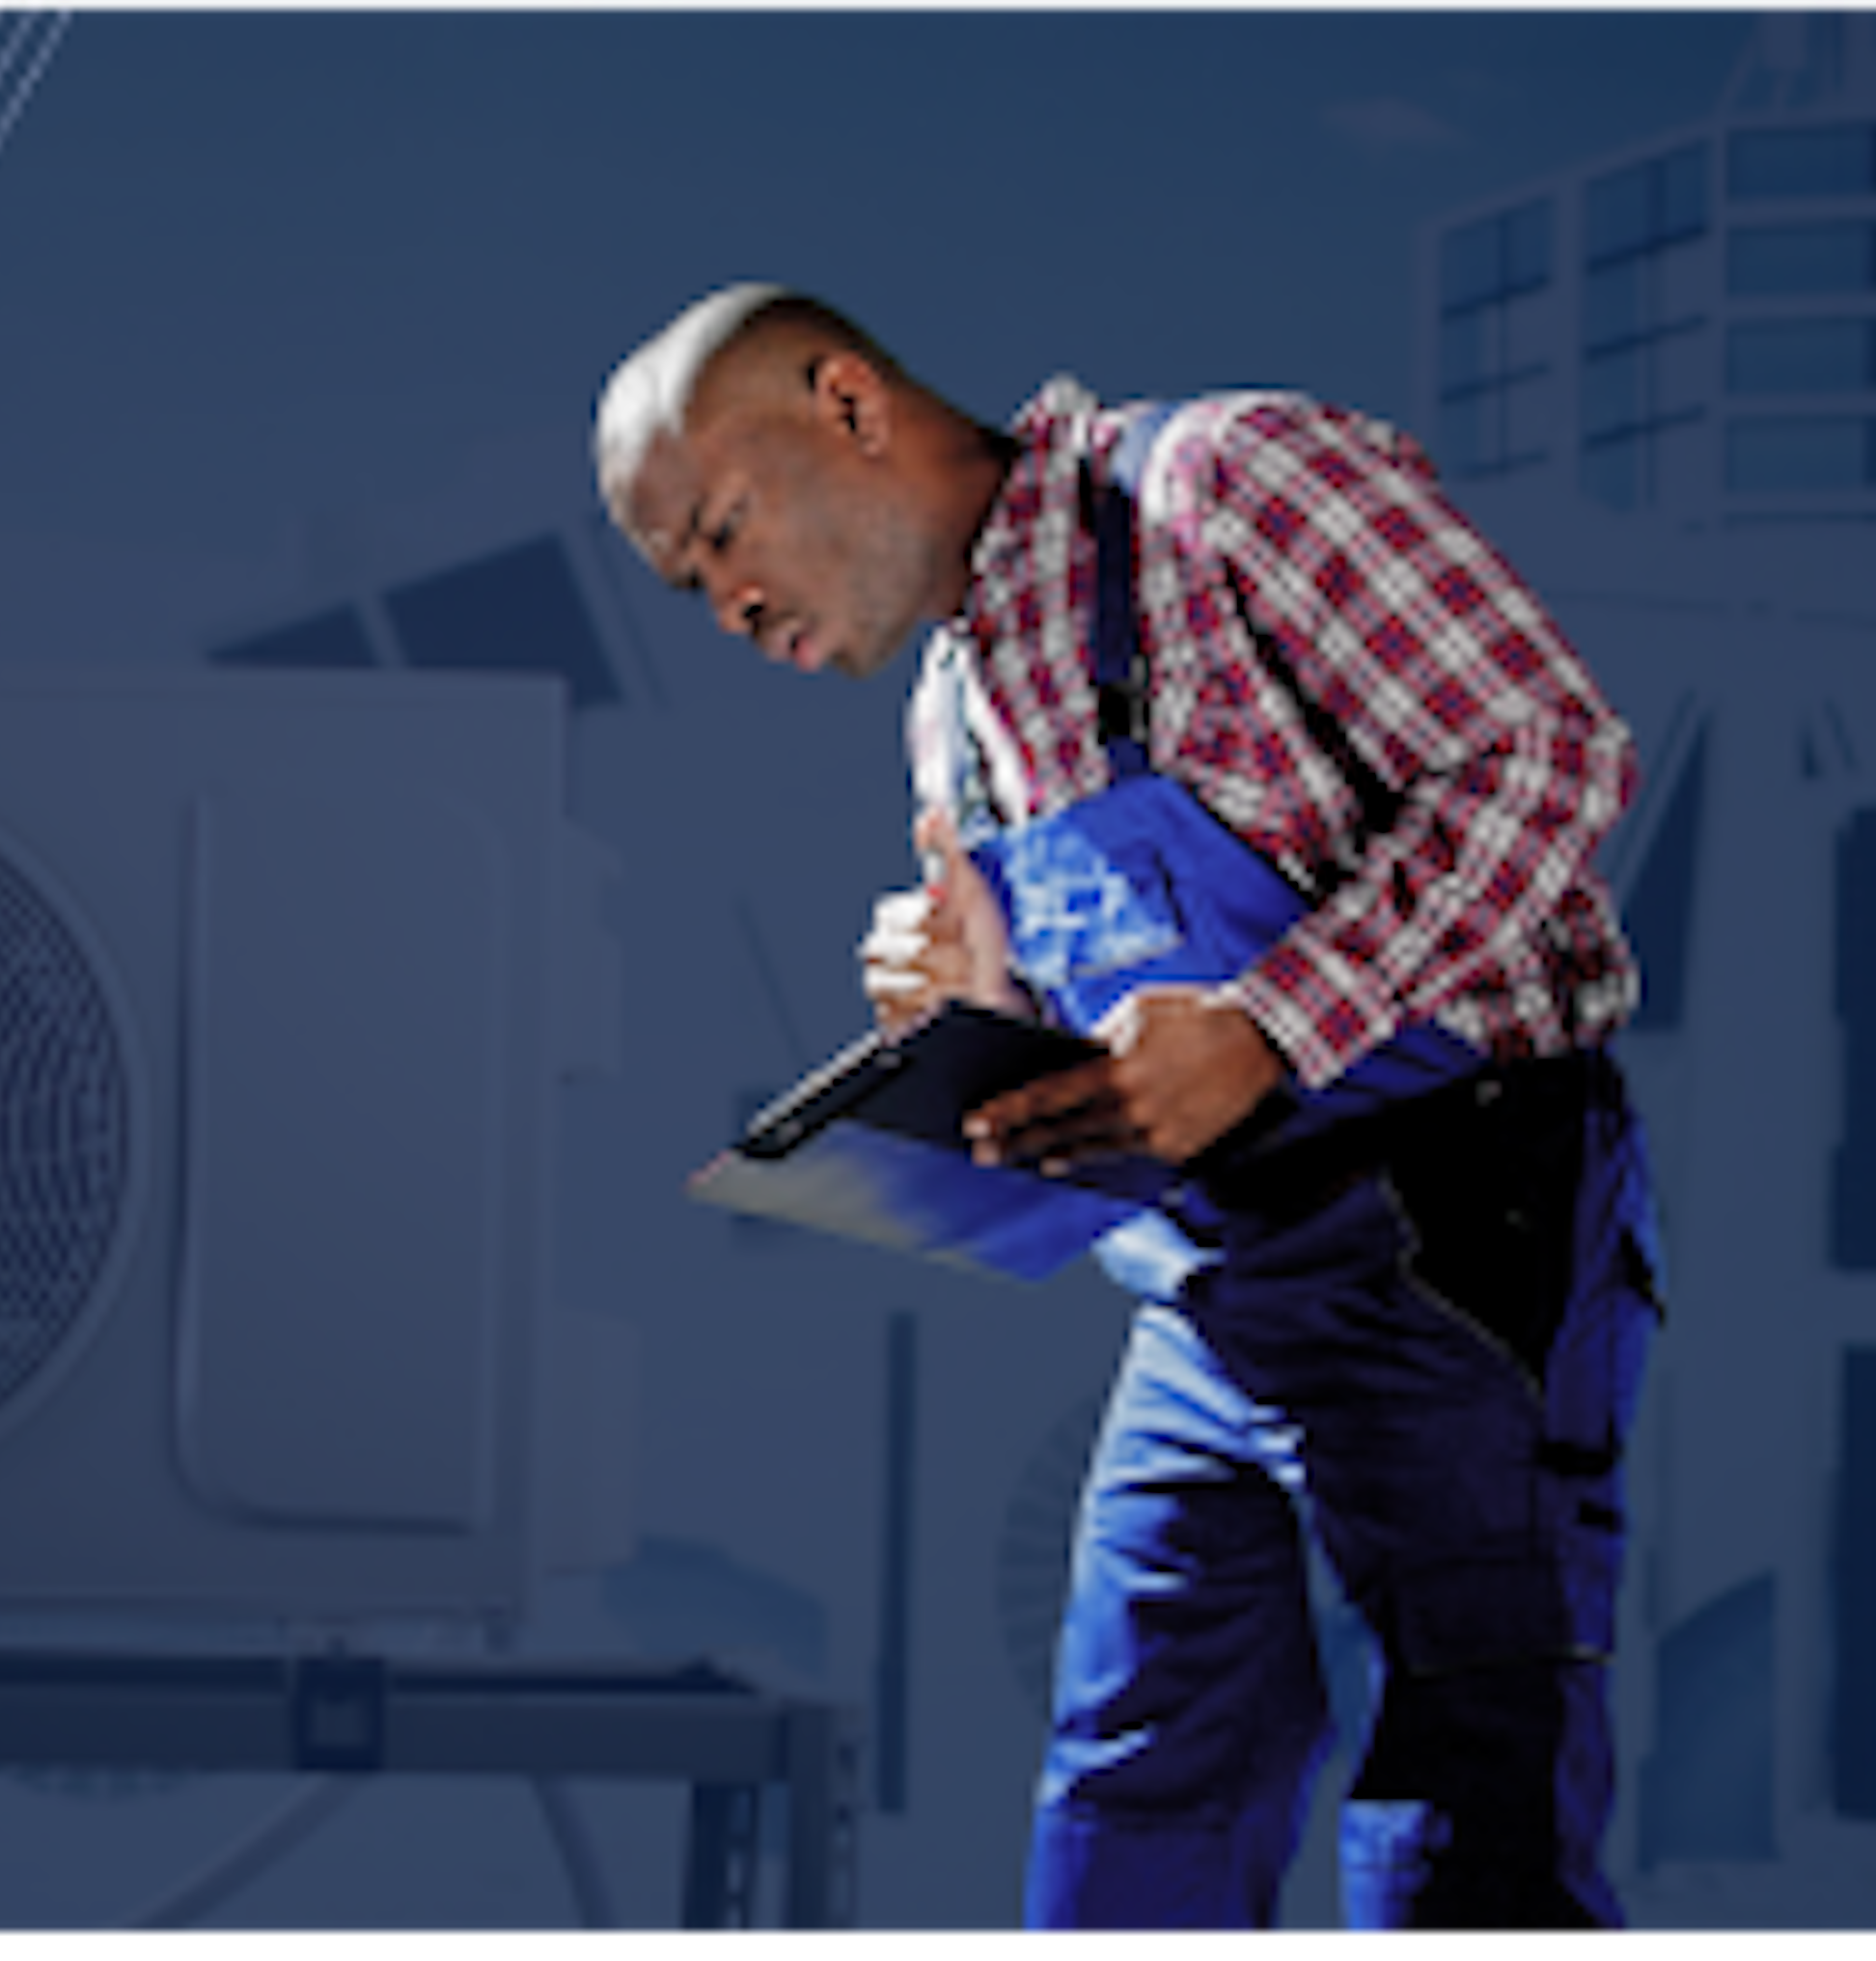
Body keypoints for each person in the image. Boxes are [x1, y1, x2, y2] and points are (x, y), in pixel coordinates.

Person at [592, 284, 1665, 1936]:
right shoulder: (951, 721)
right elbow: (1135, 1032)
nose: (728, 601)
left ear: (852, 407)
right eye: (687, 588)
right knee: (1130, 1813)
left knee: (1462, 1824)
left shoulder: (1229, 491)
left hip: (1453, 1240)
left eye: (726, 529)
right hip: (1210, 1297)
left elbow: (1545, 758)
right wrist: (981, 1015)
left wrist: (1274, 1025)